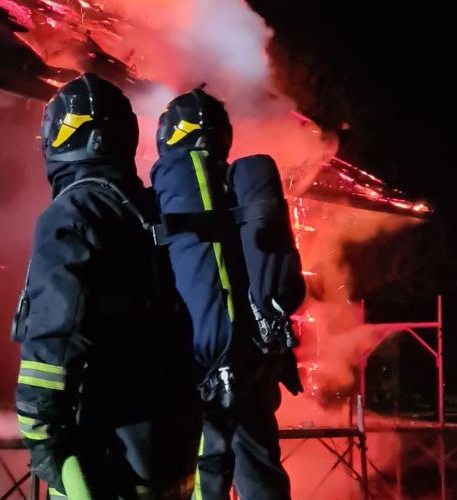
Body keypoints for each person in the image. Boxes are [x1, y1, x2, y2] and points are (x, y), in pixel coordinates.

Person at [12, 73, 197, 499]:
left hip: (106, 457)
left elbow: (56, 333)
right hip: (171, 449)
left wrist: (39, 429)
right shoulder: (153, 212)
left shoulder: (73, 212)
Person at [150, 88, 306, 499]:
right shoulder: (241, 185)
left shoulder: (177, 189)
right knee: (261, 469)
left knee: (206, 471)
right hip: (259, 356)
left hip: (208, 362)